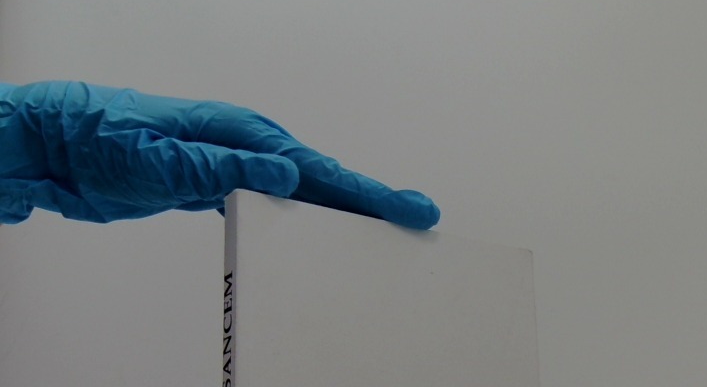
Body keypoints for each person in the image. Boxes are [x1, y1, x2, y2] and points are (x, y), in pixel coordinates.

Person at [0, 80, 439, 230]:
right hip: (69, 137)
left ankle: (377, 208)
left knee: (265, 153)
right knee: (260, 173)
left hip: (64, 110)